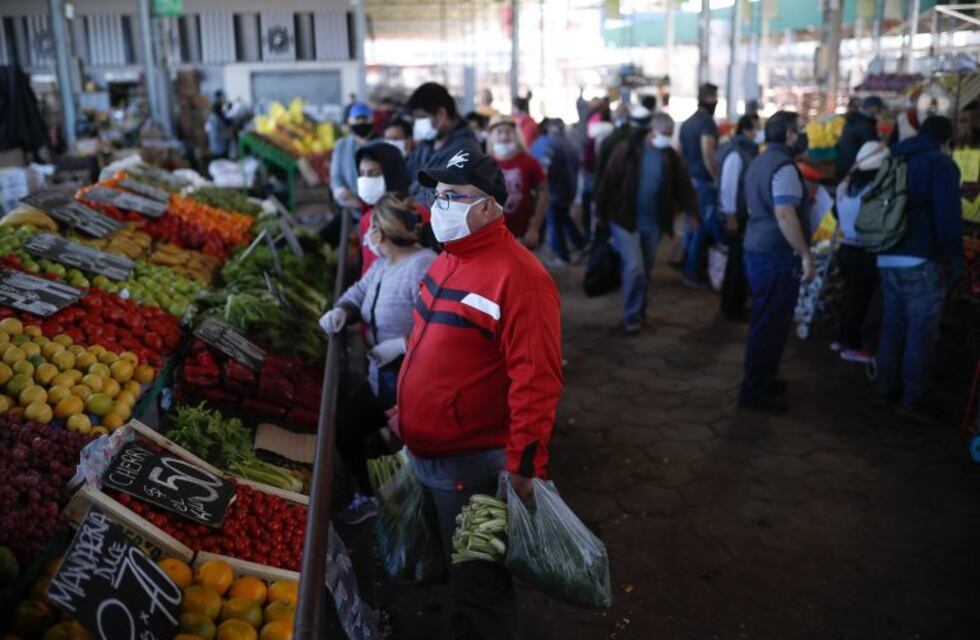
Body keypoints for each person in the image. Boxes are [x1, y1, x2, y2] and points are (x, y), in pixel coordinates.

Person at [398, 141, 562, 638]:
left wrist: (525, 467)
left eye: (454, 196)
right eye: (438, 194)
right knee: (455, 569)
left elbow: (536, 380)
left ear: (491, 205)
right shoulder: (447, 258)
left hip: (474, 467)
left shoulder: (521, 279)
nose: (439, 205)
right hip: (427, 452)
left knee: (481, 587)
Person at [320, 194, 435, 515]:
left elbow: (441, 328)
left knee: (413, 450)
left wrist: (402, 343)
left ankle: (415, 510)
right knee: (345, 426)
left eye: (372, 229)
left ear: (382, 233)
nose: (367, 236)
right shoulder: (385, 263)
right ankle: (378, 495)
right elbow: (360, 291)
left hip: (414, 384)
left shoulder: (423, 267)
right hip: (381, 379)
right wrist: (342, 310)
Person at [875, 115, 963, 422]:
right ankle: (915, 397)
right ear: (946, 140)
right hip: (920, 258)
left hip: (886, 255)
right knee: (920, 331)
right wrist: (954, 257)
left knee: (893, 324)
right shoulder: (940, 165)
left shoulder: (893, 158)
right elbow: (948, 218)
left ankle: (886, 386)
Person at [738, 111, 815, 413]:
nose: (801, 136)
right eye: (799, 131)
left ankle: (763, 378)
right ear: (788, 135)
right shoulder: (784, 168)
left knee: (767, 321)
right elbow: (785, 215)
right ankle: (754, 391)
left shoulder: (760, 160)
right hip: (775, 255)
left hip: (757, 247)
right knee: (770, 325)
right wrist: (805, 254)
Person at [596, 112, 698, 334]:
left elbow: (683, 186)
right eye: (665, 134)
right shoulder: (628, 150)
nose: (668, 139)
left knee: (646, 269)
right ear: (652, 131)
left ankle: (639, 311)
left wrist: (693, 212)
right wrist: (600, 213)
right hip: (624, 219)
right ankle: (630, 317)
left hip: (652, 223)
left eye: (671, 135)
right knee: (635, 267)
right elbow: (608, 180)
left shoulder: (669, 156)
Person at [833, 141, 888, 363]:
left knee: (851, 297)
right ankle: (852, 346)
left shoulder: (845, 186)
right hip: (864, 252)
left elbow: (837, 214)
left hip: (845, 248)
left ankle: (842, 339)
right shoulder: (875, 190)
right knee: (860, 301)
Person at [717, 113, 763, 322]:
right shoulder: (737, 153)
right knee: (736, 262)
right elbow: (729, 186)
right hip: (737, 215)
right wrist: (731, 215)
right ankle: (732, 307)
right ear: (746, 130)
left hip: (742, 213)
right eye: (755, 128)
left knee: (737, 262)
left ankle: (732, 304)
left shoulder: (746, 150)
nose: (758, 132)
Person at [679, 83, 723, 288]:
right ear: (710, 98)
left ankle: (686, 264)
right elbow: (708, 153)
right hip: (703, 182)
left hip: (688, 181)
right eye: (715, 96)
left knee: (691, 224)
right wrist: (716, 177)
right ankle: (692, 271)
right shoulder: (707, 123)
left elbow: (678, 151)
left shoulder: (687, 123)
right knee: (701, 226)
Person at [405, 82, 477, 196]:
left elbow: (444, 196)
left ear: (441, 114)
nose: (417, 123)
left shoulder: (465, 151)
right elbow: (407, 173)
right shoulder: (427, 143)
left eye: (421, 117)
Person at [487, 116, 547, 249]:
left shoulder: (530, 162)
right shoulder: (484, 164)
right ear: (491, 136)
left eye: (508, 131)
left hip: (522, 234)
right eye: (499, 132)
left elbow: (542, 193)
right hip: (491, 235)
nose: (504, 136)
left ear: (515, 134)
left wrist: (534, 228)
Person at [354, 142, 412, 275]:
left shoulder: (414, 216)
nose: (366, 180)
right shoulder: (366, 219)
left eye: (374, 174)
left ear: (392, 174)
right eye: (362, 174)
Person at [331, 102, 375, 210]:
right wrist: (340, 190)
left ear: (371, 120)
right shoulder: (342, 145)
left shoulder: (382, 144)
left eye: (364, 119)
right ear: (350, 121)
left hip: (378, 206)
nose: (361, 122)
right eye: (357, 119)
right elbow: (336, 176)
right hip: (350, 205)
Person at [836, 95, 883, 181]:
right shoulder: (864, 123)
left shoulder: (856, 120)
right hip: (855, 167)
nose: (880, 111)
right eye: (878, 108)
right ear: (871, 107)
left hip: (846, 165)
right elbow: (873, 145)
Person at [205, 90, 231, 159]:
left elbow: (226, 116)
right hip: (217, 148)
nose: (223, 99)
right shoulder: (214, 115)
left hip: (223, 144)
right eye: (222, 98)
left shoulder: (222, 109)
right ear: (218, 98)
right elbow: (213, 133)